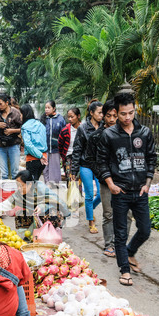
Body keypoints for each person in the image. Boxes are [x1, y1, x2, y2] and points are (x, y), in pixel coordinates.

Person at [97, 92, 157, 286]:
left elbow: (151, 159)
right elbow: (102, 162)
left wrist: (147, 184)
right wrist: (111, 185)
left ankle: (130, 252)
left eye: (131, 113)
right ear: (116, 112)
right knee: (120, 233)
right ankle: (124, 270)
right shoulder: (109, 135)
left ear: (135, 110)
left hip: (140, 191)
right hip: (120, 191)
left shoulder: (145, 133)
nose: (127, 117)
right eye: (123, 114)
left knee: (145, 229)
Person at [86, 99, 133, 257]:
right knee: (109, 213)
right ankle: (109, 244)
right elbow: (91, 159)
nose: (112, 119)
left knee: (127, 214)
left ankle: (122, 244)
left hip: (126, 180)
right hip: (106, 182)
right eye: (108, 115)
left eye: (115, 115)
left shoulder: (127, 134)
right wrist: (102, 176)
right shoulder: (96, 137)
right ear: (103, 116)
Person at [0, 169, 70, 231]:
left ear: (29, 184)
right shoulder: (19, 193)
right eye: (17, 186)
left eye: (21, 186)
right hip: (34, 213)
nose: (18, 188)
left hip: (49, 210)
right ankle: (31, 232)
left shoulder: (40, 188)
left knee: (50, 213)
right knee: (20, 212)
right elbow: (6, 204)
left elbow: (54, 201)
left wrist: (42, 206)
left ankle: (49, 231)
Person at [71, 99, 103, 234]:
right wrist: (74, 169)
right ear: (91, 113)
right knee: (89, 194)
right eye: (100, 112)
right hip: (85, 165)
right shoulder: (83, 128)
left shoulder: (105, 127)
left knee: (101, 194)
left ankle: (90, 208)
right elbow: (77, 149)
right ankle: (91, 221)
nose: (102, 115)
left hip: (101, 165)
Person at [0, 93, 22, 180]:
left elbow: (24, 128)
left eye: (0, 104)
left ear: (7, 103)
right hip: (0, 146)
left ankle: (14, 191)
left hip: (13, 145)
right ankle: (4, 192)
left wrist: (12, 131)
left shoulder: (16, 113)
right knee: (3, 173)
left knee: (15, 172)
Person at [40, 100, 66, 185]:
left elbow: (64, 133)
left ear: (54, 108)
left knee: (55, 169)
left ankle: (55, 187)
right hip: (45, 148)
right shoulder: (43, 119)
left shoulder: (60, 119)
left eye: (49, 108)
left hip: (56, 149)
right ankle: (47, 186)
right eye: (45, 108)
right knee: (45, 169)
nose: (46, 109)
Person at [20, 104, 48, 181]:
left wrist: (39, 156)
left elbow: (28, 145)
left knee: (30, 185)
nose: (20, 116)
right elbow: (44, 142)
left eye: (20, 114)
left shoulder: (25, 127)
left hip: (33, 158)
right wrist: (42, 156)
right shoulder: (41, 125)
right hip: (43, 158)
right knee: (35, 182)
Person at [58, 107, 81, 184]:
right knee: (71, 179)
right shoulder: (65, 130)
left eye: (72, 117)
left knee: (79, 180)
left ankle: (78, 195)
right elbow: (60, 145)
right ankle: (72, 195)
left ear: (78, 116)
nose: (70, 119)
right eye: (68, 117)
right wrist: (64, 156)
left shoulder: (83, 129)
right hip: (69, 157)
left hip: (81, 158)